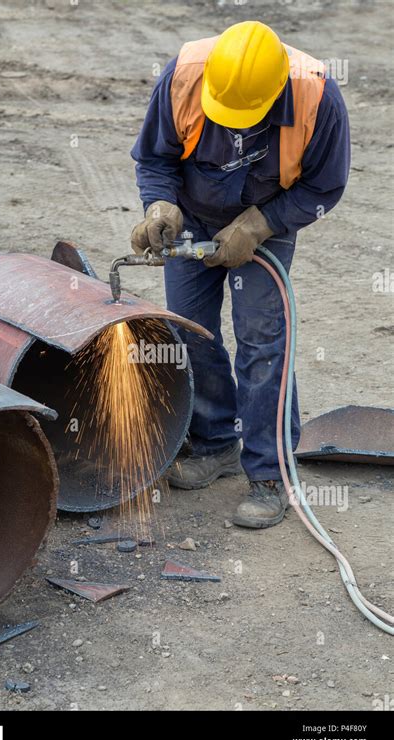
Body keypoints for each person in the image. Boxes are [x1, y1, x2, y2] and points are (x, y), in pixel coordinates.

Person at [130, 21, 350, 528]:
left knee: (261, 339)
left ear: (277, 93)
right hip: (194, 212)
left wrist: (260, 224)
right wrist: (160, 204)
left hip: (266, 222)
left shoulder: (317, 96)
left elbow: (324, 188)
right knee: (187, 330)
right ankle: (215, 442)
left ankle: (270, 473)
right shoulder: (185, 75)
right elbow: (154, 156)